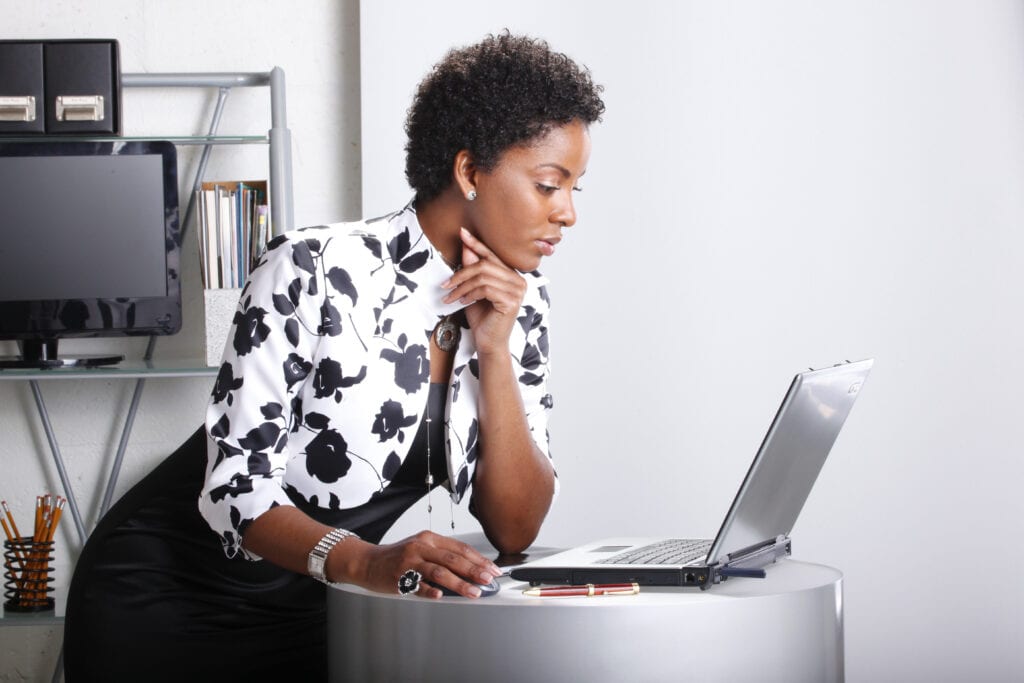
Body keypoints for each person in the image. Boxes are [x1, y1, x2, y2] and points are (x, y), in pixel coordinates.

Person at [64, 31, 604, 681]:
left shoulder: (520, 304)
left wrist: (492, 349)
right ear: (469, 172)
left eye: (575, 188)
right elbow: (236, 489)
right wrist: (368, 562)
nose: (568, 214)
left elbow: (515, 526)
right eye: (550, 184)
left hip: (320, 607)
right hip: (163, 600)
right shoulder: (312, 267)